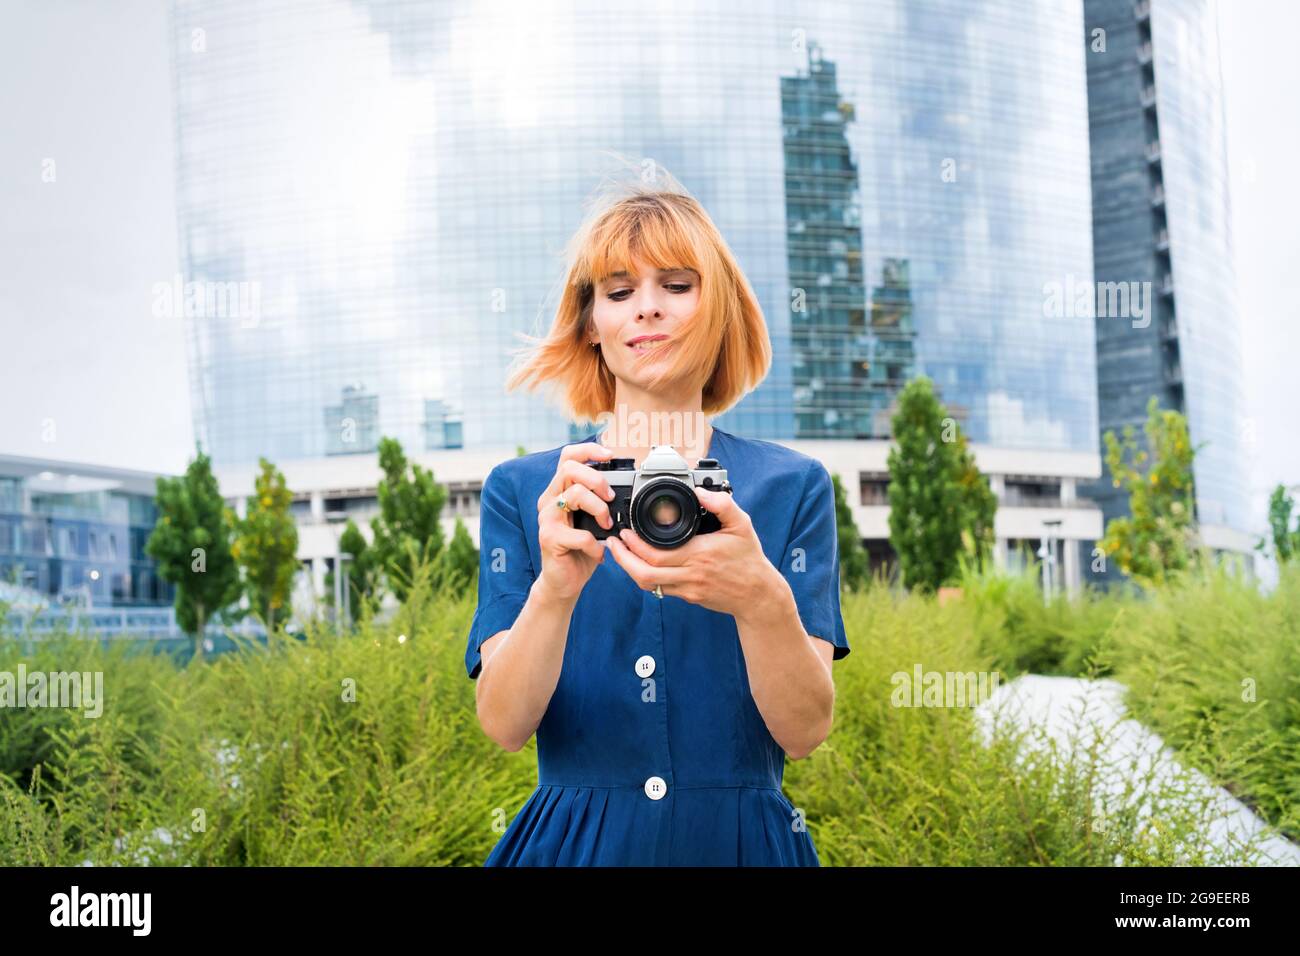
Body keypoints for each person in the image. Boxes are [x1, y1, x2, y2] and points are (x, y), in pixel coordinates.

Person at [465, 176, 851, 866]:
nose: (647, 309)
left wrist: (760, 599)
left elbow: (803, 732)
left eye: (676, 285)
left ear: (719, 308)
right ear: (591, 324)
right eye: (618, 293)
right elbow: (502, 724)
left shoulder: (793, 487)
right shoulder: (527, 491)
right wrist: (554, 590)